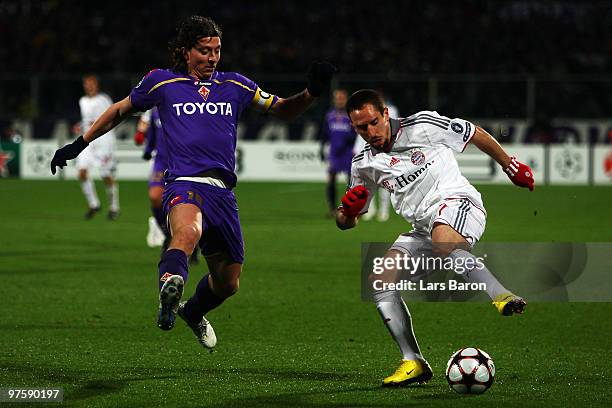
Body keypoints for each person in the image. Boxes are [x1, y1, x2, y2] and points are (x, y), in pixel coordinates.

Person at [51, 15, 335, 349]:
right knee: (187, 232)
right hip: (184, 183)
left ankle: (192, 311)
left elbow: (283, 109)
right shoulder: (162, 82)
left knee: (228, 283)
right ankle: (169, 286)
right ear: (187, 52)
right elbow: (119, 111)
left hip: (223, 193)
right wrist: (79, 143)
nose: (212, 58)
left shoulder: (237, 86)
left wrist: (311, 92)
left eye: (217, 50)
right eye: (204, 50)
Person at [336, 89, 532, 387]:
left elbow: (473, 133)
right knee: (380, 280)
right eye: (361, 128)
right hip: (422, 228)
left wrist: (509, 165)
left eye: (374, 122)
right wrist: (347, 212)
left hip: (459, 203)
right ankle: (413, 361)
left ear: (386, 113)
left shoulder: (423, 125)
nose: (370, 132)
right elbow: (346, 221)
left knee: (443, 242)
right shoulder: (363, 163)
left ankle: (501, 295)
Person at [73, 74, 120, 220]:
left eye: (91, 83)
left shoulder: (104, 99)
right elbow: (86, 120)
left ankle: (114, 207)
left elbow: (114, 115)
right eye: (87, 84)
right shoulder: (82, 101)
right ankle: (94, 204)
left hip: (103, 140)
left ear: (96, 85)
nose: (89, 86)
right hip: (87, 139)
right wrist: (80, 126)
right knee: (81, 172)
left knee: (105, 174)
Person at [353, 90, 398, 221]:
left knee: (386, 183)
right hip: (368, 152)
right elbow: (361, 134)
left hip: (385, 152)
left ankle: (384, 211)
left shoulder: (392, 110)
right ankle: (370, 209)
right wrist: (356, 149)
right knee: (367, 183)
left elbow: (393, 129)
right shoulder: (365, 112)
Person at [133, 108, 170, 248]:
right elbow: (149, 133)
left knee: (181, 203)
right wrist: (148, 150)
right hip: (161, 161)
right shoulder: (154, 111)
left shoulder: (184, 104)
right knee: (155, 196)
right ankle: (167, 234)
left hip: (182, 161)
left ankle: (194, 243)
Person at [319, 89, 356, 217]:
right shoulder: (330, 115)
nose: (339, 101)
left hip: (347, 152)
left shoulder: (351, 115)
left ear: (346, 100)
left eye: (342, 98)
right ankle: (332, 209)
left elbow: (356, 134)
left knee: (351, 181)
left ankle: (350, 209)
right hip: (334, 152)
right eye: (337, 98)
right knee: (331, 179)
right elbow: (324, 133)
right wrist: (321, 148)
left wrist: (347, 143)